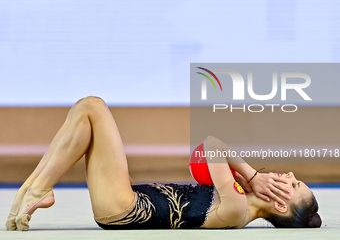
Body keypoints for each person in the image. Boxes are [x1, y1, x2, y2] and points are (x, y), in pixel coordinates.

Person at [5, 96, 321, 231]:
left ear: (281, 206)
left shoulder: (239, 208)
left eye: (293, 185)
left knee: (93, 107)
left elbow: (211, 145)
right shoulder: (241, 195)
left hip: (125, 207)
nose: (290, 175)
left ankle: (38, 188)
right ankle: (32, 189)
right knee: (84, 112)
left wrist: (252, 175)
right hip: (126, 197)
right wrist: (251, 179)